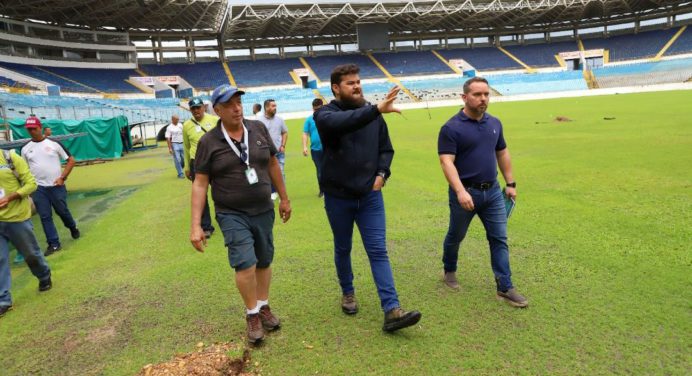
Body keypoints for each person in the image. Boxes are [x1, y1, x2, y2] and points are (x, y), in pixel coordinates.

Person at [314, 64, 421, 332]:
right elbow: (342, 123)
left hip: (369, 197)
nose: (357, 86)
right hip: (338, 198)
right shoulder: (325, 114)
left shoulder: (374, 115)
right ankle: (348, 291)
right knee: (343, 247)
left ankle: (392, 310)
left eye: (358, 81)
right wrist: (374, 110)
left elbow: (386, 149)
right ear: (336, 89)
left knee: (378, 250)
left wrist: (382, 174)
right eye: (350, 83)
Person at [190, 84, 292, 344]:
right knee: (245, 262)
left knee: (264, 260)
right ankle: (252, 314)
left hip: (263, 209)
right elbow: (200, 183)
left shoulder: (256, 129)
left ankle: (264, 304)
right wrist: (195, 226)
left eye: (239, 102)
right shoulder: (208, 142)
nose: (237, 108)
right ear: (217, 110)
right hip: (231, 212)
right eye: (229, 104)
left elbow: (271, 164)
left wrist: (284, 198)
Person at [437, 77, 528, 308]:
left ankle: (505, 287)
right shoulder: (451, 128)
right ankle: (449, 270)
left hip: (494, 193)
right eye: (477, 95)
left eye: (486, 94)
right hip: (465, 194)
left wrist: (511, 183)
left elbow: (502, 153)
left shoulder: (495, 123)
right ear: (464, 97)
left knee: (499, 238)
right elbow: (446, 162)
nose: (483, 99)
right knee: (456, 236)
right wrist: (460, 192)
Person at [0, 147, 52, 318]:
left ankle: (44, 275)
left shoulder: (10, 158)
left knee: (30, 253)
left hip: (17, 217)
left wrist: (10, 197)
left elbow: (31, 184)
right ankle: (4, 300)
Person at [20, 116, 80, 256]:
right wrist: (28, 187)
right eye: (29, 129)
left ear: (40, 127)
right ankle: (53, 244)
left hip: (56, 185)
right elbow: (24, 170)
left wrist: (62, 178)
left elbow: (71, 161)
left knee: (62, 211)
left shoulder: (54, 143)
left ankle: (72, 226)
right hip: (38, 188)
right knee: (45, 216)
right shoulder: (25, 149)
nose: (31, 131)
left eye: (34, 128)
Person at [183, 97, 219, 238]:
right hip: (196, 163)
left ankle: (225, 218)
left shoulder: (214, 120)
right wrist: (187, 166)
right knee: (201, 195)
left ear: (204, 107)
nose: (196, 110)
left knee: (220, 191)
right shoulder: (186, 125)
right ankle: (206, 226)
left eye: (198, 107)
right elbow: (186, 147)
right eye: (193, 108)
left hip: (215, 161)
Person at [257, 99, 287, 201]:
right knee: (267, 174)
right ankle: (273, 192)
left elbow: (285, 132)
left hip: (279, 152)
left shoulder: (280, 120)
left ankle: (282, 195)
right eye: (273, 106)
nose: (275, 108)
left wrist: (283, 145)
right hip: (265, 153)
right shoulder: (259, 121)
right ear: (266, 107)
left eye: (275, 106)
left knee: (281, 173)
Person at [302, 98, 324, 197]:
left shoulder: (328, 117)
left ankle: (333, 190)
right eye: (315, 110)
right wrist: (304, 147)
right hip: (315, 150)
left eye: (318, 109)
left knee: (331, 169)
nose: (317, 112)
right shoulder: (309, 119)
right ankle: (322, 190)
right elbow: (305, 133)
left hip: (329, 148)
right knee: (320, 170)